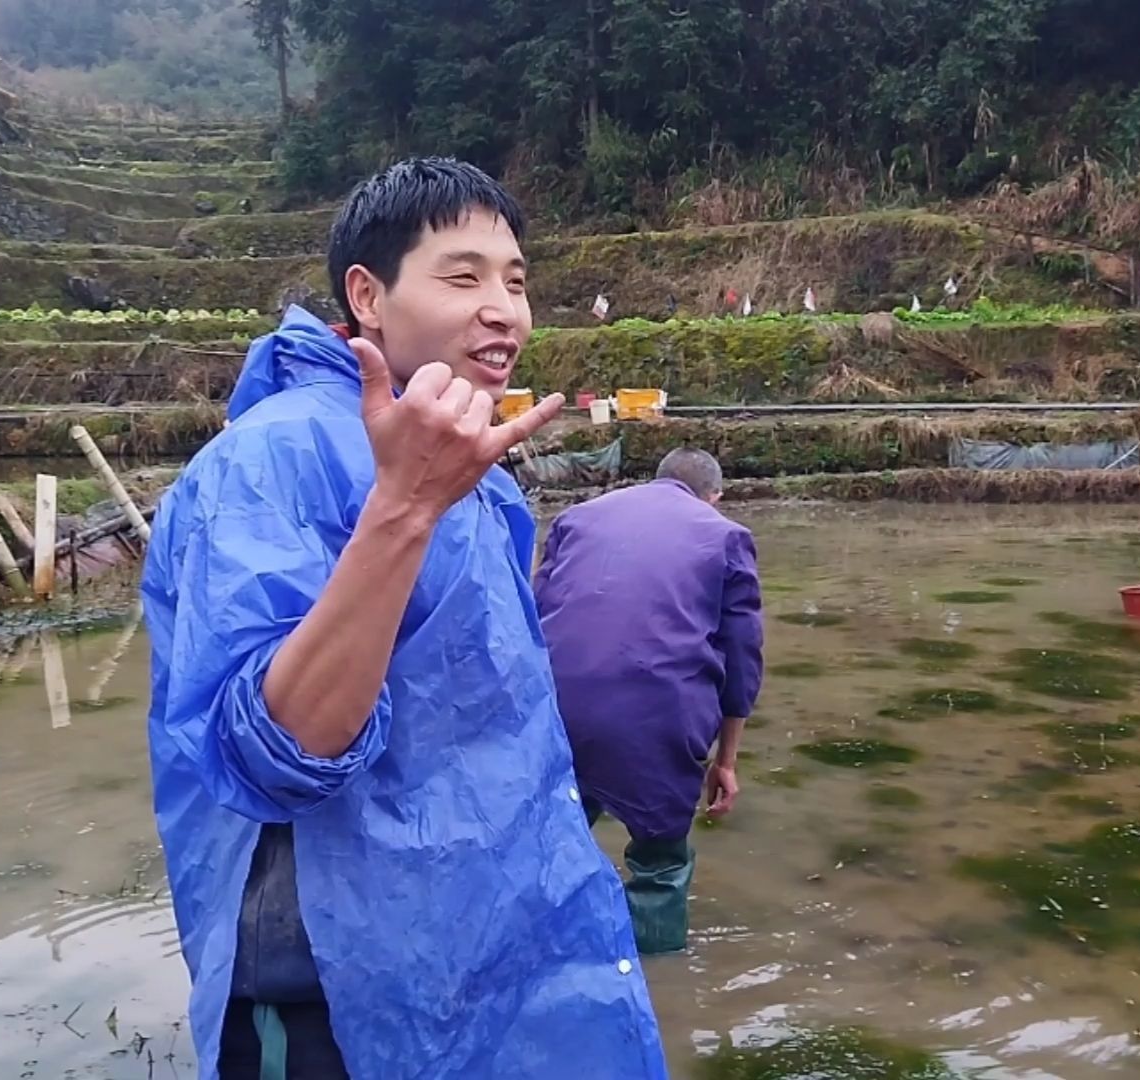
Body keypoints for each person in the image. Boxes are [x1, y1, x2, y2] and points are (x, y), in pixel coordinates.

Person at [141, 157, 669, 1080]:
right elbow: (274, 752)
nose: (504, 307)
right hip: (333, 995)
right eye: (463, 276)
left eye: (516, 281)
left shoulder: (474, 478)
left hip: (475, 953)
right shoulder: (272, 461)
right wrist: (404, 510)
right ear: (367, 296)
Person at [533, 448, 765, 955]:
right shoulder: (724, 535)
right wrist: (725, 761)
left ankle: (536, 950)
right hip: (658, 713)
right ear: (714, 496)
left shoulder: (578, 517)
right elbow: (742, 657)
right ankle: (660, 983)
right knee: (660, 860)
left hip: (554, 703)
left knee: (547, 841)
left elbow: (537, 612)